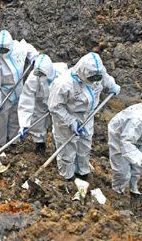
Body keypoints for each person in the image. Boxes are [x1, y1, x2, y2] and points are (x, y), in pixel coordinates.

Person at [48, 52, 120, 182]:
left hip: (87, 116)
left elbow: (105, 78)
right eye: (92, 78)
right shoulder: (63, 84)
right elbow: (55, 107)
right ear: (83, 72)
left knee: (85, 145)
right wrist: (70, 121)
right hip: (66, 118)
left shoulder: (97, 73)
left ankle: (82, 172)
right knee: (67, 149)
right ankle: (67, 177)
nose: (94, 81)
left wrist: (112, 86)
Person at [0, 30, 38, 146]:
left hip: (18, 88)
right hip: (1, 92)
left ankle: (13, 142)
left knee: (15, 116)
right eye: (0, 50)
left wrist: (34, 57)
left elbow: (28, 48)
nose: (2, 53)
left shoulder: (18, 48)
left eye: (5, 50)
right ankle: (0, 145)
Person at [18, 54, 65, 154]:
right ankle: (40, 143)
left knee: (59, 124)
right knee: (37, 120)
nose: (39, 76)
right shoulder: (33, 78)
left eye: (42, 74)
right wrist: (24, 124)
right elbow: (26, 99)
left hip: (58, 102)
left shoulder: (62, 74)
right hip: (41, 101)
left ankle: (58, 147)